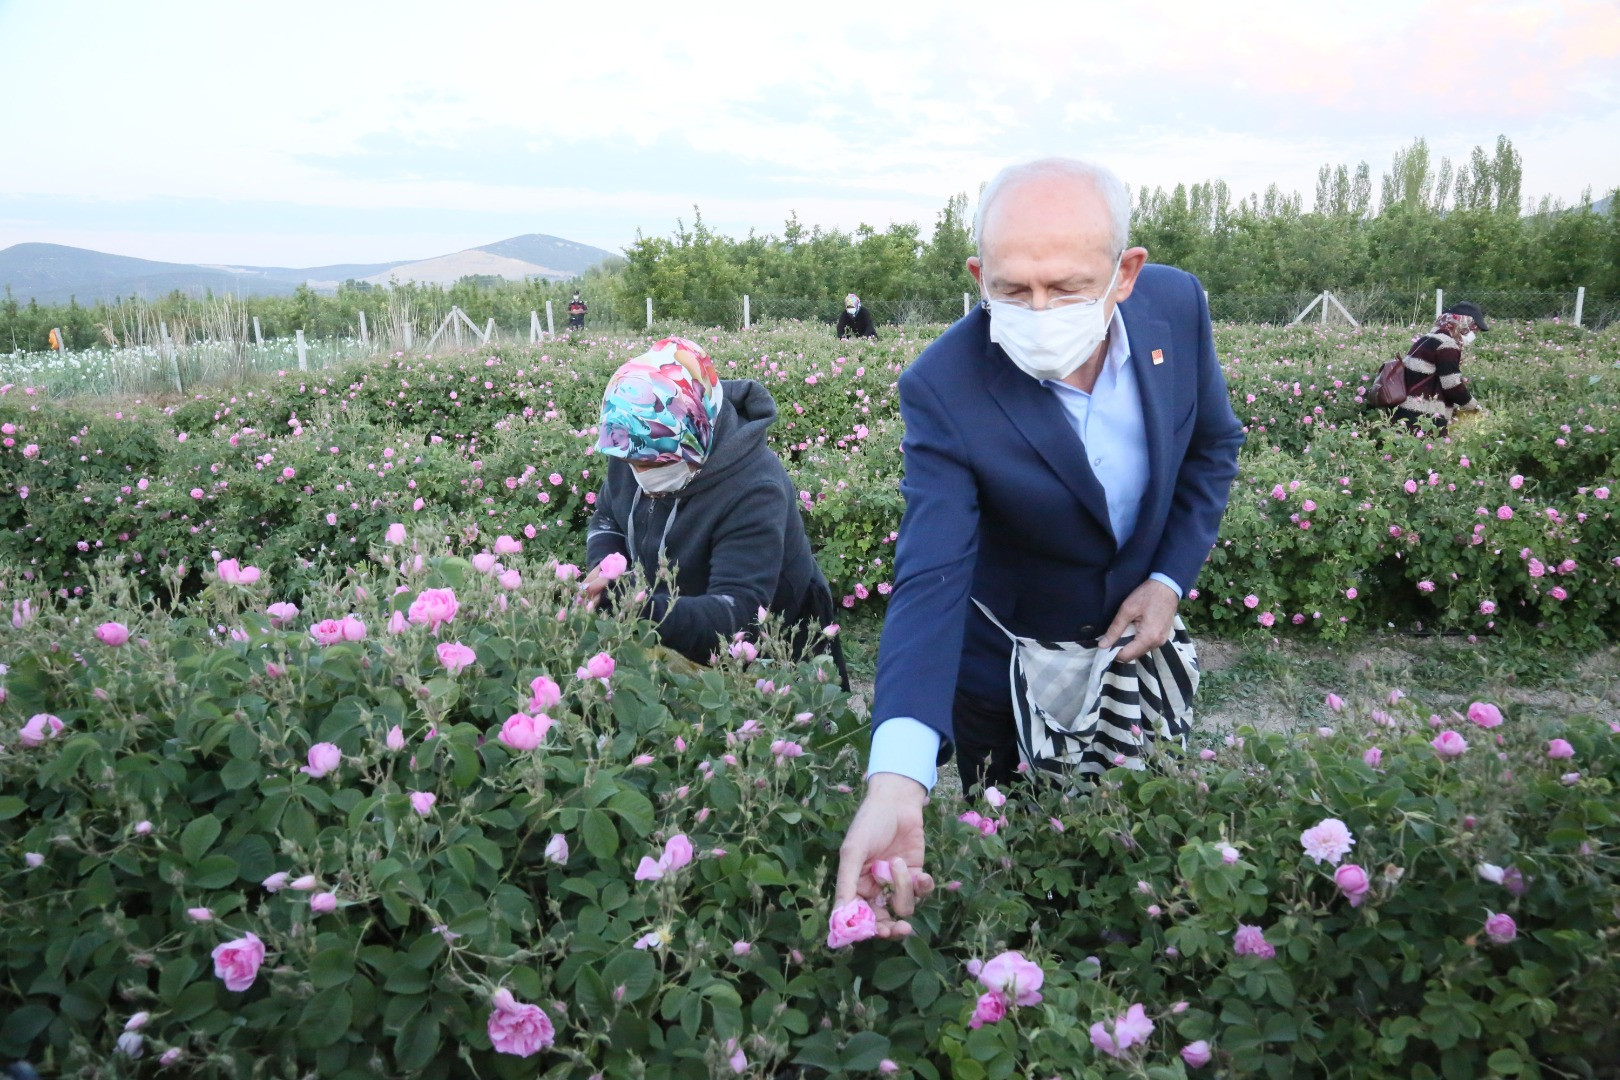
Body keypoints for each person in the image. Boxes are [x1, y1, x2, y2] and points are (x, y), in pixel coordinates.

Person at [831, 158, 1245, 939]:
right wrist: (897, 775)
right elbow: (930, 575)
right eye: (1013, 290)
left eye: (1068, 288)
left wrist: (1166, 579)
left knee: (1139, 831)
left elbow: (1213, 447)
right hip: (1009, 668)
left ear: (1125, 273)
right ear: (978, 274)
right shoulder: (945, 385)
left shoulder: (1176, 308)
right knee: (1024, 853)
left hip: (1133, 646)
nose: (1040, 311)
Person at [582, 336, 846, 681]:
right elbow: (608, 516)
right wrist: (606, 571)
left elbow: (738, 614)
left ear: (698, 434)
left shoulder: (755, 488)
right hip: (669, 616)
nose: (641, 472)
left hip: (768, 645)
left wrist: (637, 607)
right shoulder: (633, 440)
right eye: (634, 461)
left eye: (658, 462)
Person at [1391, 302, 1488, 432]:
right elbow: (1451, 385)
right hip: (1422, 416)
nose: (1474, 334)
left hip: (1406, 411)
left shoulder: (1428, 338)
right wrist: (1474, 406)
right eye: (1474, 328)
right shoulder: (1447, 345)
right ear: (1464, 325)